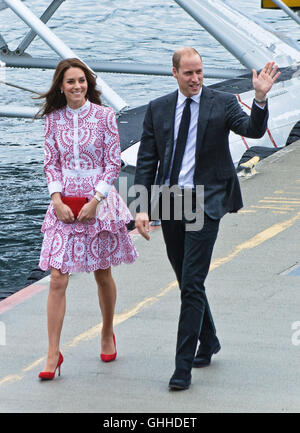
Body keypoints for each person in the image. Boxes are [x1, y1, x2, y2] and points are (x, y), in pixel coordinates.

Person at [134, 47, 280, 390]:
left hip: (205, 200)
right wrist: (140, 208)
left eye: (199, 71)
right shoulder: (157, 109)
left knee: (193, 282)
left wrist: (259, 99)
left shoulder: (222, 102)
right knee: (186, 279)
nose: (196, 78)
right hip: (170, 201)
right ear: (174, 73)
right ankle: (210, 339)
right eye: (188, 73)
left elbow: (252, 130)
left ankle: (182, 366)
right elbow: (146, 161)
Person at [37, 58, 138, 380]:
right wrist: (56, 200)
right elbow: (50, 163)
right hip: (63, 203)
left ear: (88, 84)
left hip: (99, 201)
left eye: (81, 80)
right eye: (70, 82)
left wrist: (96, 199)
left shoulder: (105, 116)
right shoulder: (52, 119)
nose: (77, 86)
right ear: (61, 86)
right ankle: (53, 352)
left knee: (102, 272)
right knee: (57, 278)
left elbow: (113, 163)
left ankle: (107, 331)